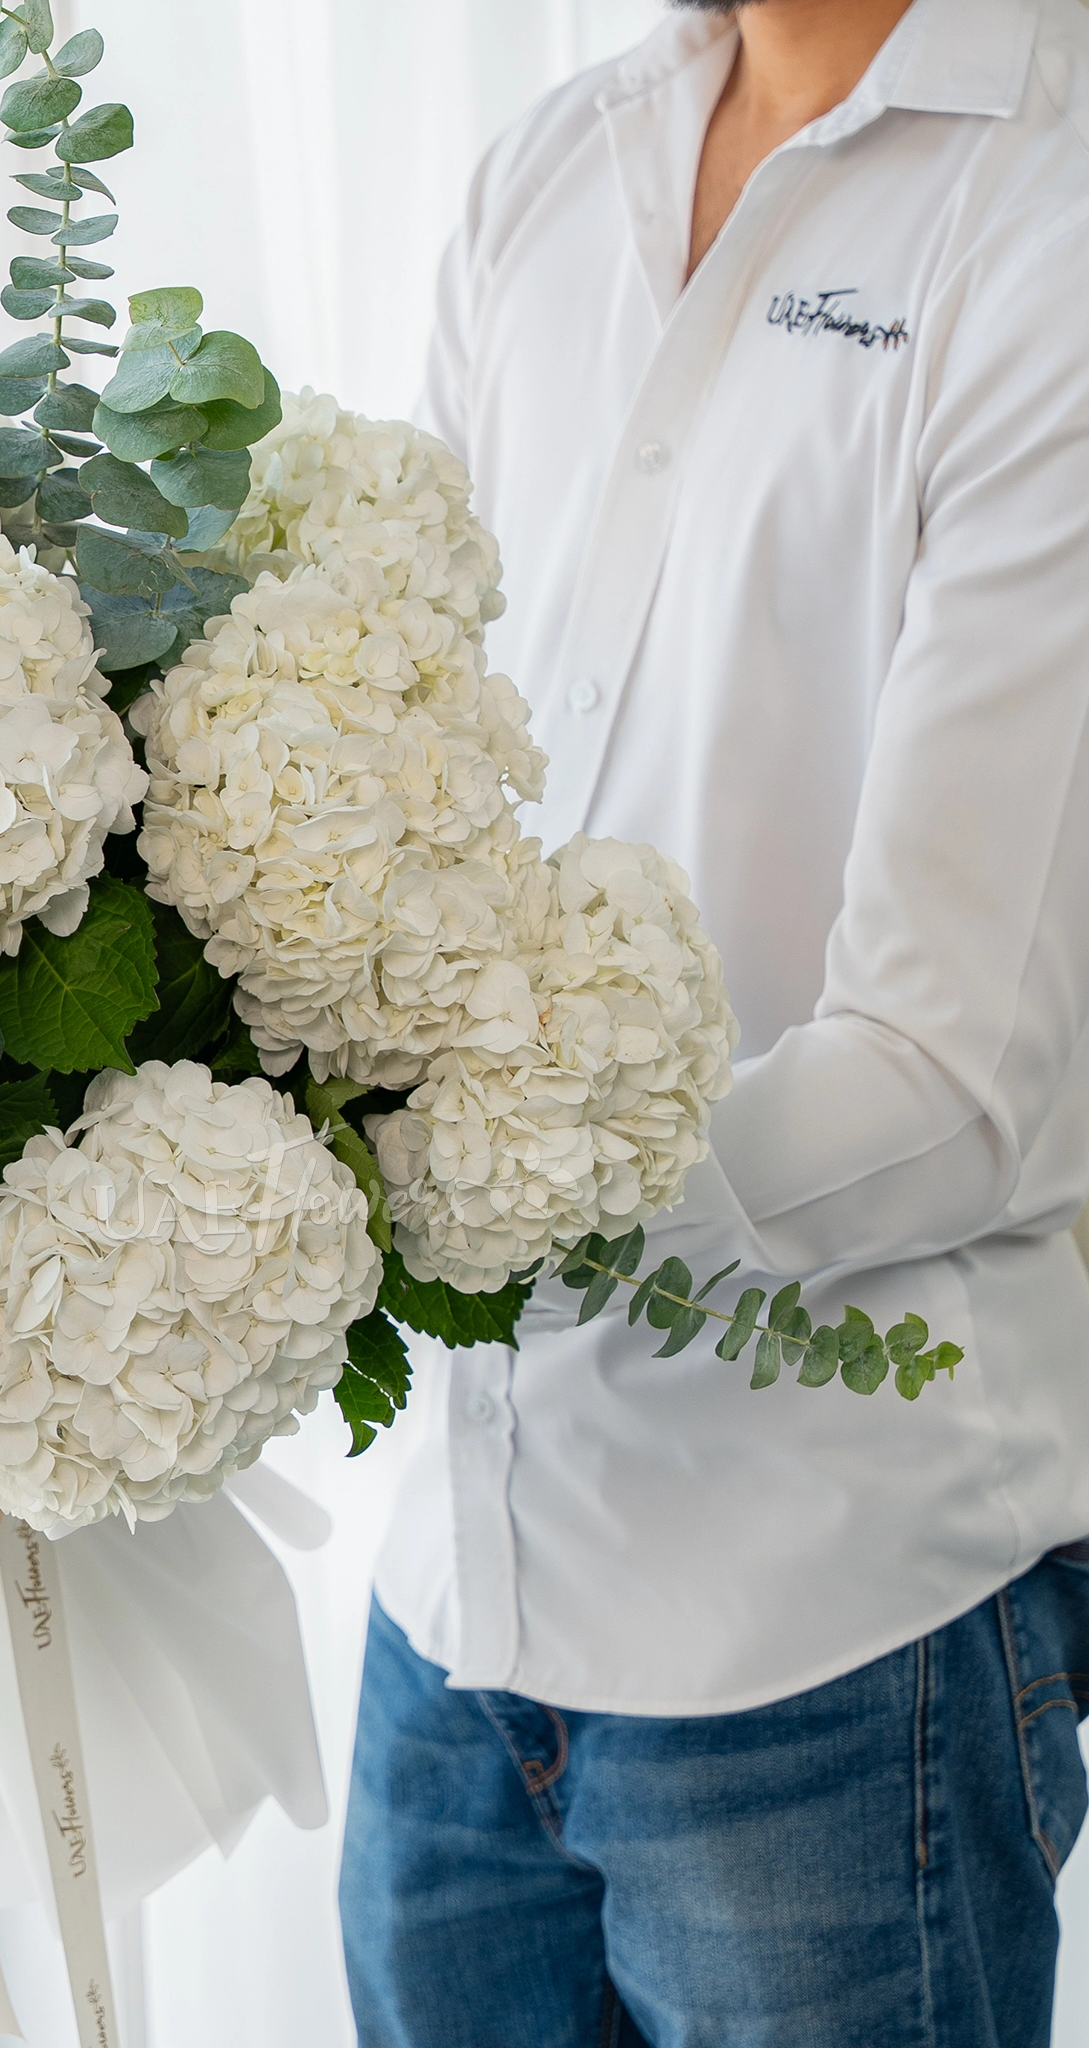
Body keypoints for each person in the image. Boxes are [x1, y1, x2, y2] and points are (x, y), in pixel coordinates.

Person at [337, 0, 1089, 2041]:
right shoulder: (543, 178)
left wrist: (433, 1209)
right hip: (450, 1611)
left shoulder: (1050, 214)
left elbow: (954, 1083)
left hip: (829, 1640)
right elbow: (404, 803)